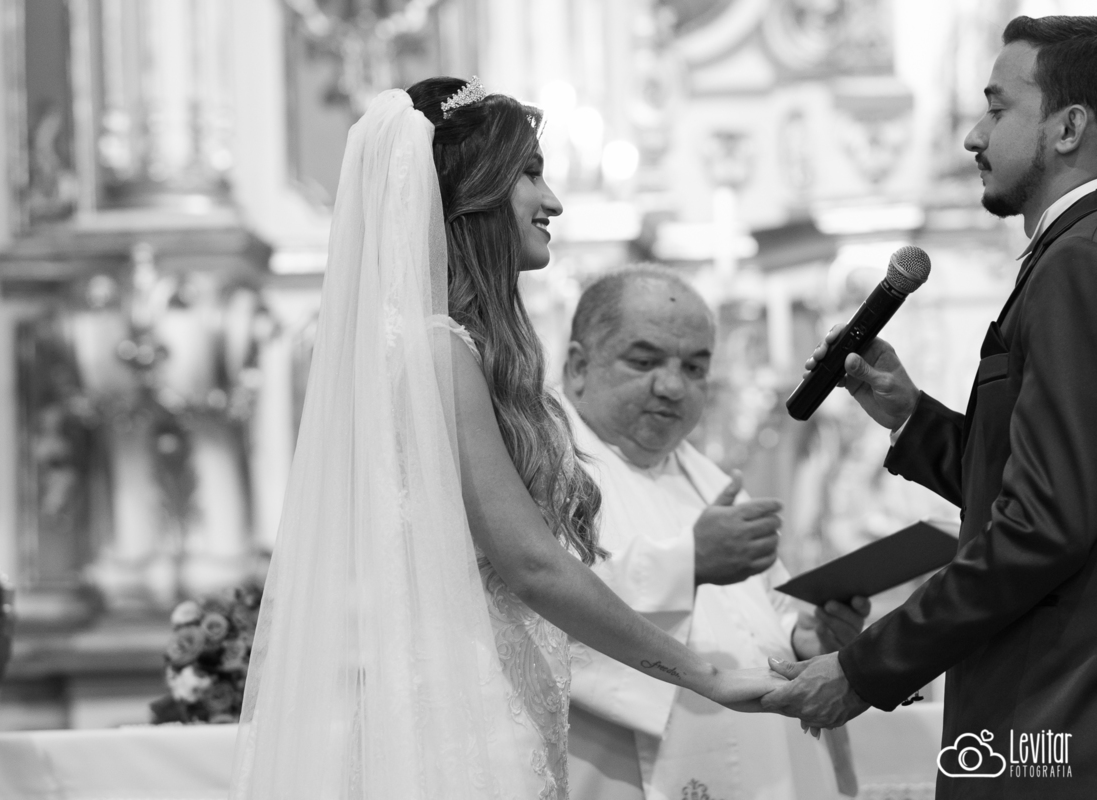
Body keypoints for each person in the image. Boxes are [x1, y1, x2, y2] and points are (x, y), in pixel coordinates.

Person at [230, 78, 785, 800]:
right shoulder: (435, 350)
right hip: (465, 728)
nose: (552, 200)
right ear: (474, 192)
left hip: (494, 707)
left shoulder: (441, 349)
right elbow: (532, 565)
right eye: (529, 172)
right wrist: (699, 673)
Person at [762, 15, 1097, 798]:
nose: (973, 136)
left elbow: (1047, 522)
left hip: (1049, 714)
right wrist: (913, 418)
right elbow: (1056, 481)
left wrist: (865, 665)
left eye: (998, 108)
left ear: (1069, 127)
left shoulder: (1076, 263)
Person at [560, 267, 869, 800]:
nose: (673, 386)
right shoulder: (545, 464)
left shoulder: (704, 475)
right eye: (644, 360)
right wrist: (688, 563)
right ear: (579, 366)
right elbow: (538, 606)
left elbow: (769, 612)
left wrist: (811, 637)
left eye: (696, 367)